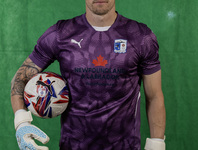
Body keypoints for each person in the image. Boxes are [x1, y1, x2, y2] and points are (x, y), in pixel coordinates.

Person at [11, 0, 166, 149]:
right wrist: (21, 122)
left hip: (125, 146)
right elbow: (21, 78)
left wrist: (157, 144)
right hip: (72, 146)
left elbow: (154, 96)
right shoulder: (61, 33)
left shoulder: (141, 36)